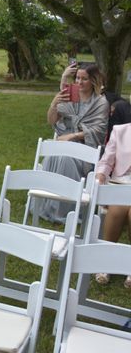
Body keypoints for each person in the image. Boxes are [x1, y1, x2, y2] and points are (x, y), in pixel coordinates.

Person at [40, 63, 108, 223]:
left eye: (84, 79)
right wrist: (54, 103)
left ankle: (63, 211)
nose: (79, 82)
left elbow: (99, 130)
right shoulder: (69, 95)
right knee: (52, 157)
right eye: (77, 77)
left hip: (86, 148)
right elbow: (51, 120)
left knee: (66, 158)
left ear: (93, 81)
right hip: (63, 142)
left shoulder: (100, 102)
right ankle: (47, 206)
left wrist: (73, 136)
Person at [94, 121, 131, 287]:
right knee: (116, 210)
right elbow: (106, 161)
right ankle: (105, 261)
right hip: (121, 184)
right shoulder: (120, 131)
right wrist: (101, 175)